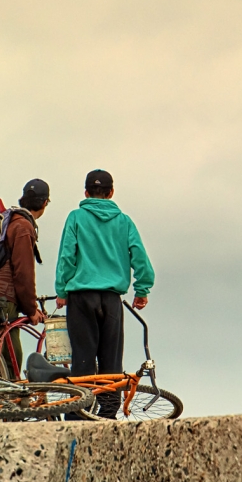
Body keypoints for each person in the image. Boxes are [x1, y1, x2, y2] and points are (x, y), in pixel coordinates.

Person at [55, 169, 154, 418]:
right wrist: (142, 290)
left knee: (83, 358)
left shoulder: (76, 217)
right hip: (111, 300)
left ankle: (79, 414)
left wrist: (62, 290)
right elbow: (140, 257)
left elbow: (67, 255)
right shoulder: (124, 221)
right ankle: (108, 413)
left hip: (81, 297)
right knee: (111, 360)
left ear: (86, 193)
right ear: (111, 193)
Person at [0, 179, 50, 378]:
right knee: (11, 363)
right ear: (44, 203)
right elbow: (23, 274)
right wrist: (32, 309)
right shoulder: (23, 227)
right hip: (3, 298)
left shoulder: (9, 220)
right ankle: (5, 403)